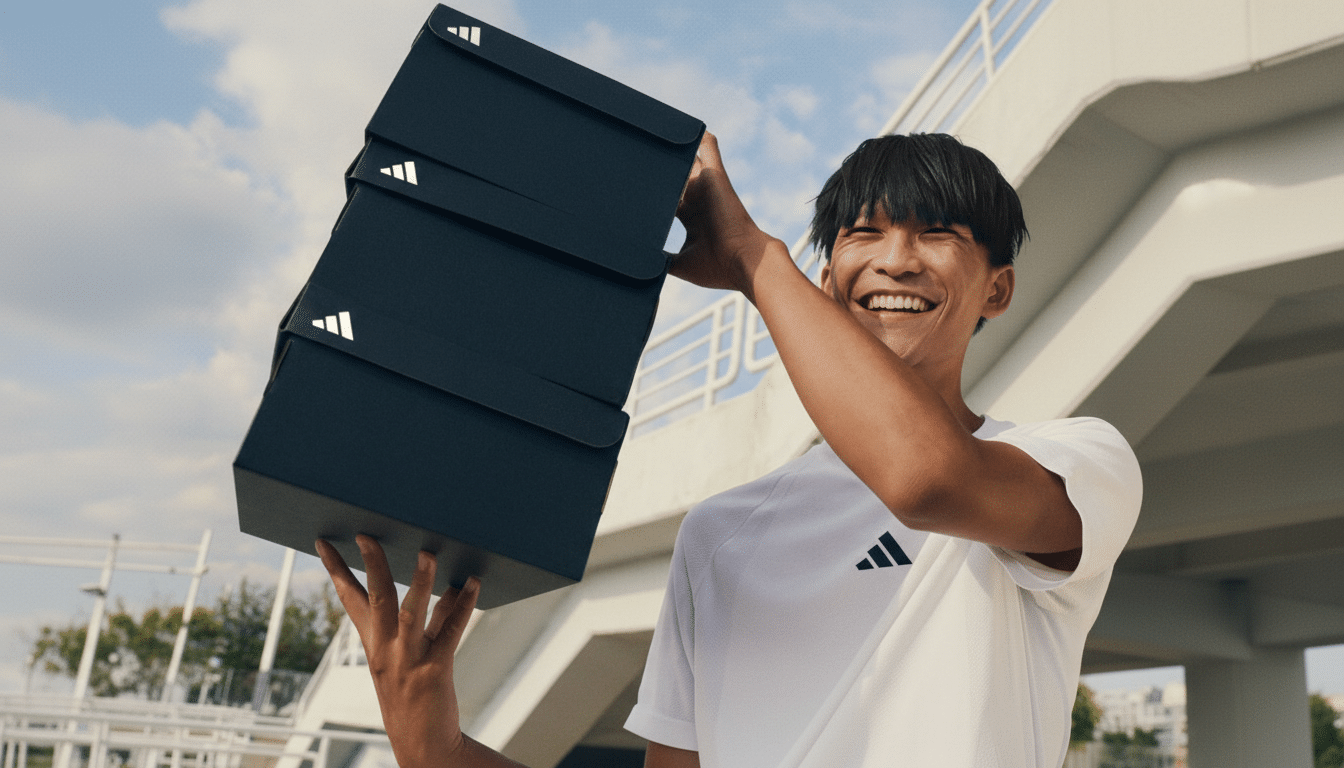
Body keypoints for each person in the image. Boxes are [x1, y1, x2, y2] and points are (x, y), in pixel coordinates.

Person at [317, 131, 1142, 768]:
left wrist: (752, 256)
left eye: (937, 235)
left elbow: (924, 480)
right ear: (828, 281)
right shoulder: (720, 533)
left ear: (996, 287)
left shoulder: (1075, 461)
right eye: (863, 233)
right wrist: (436, 748)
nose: (895, 259)